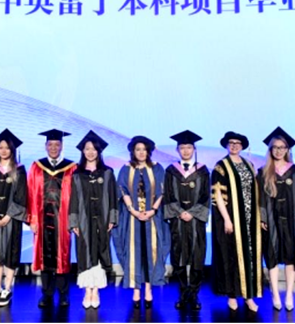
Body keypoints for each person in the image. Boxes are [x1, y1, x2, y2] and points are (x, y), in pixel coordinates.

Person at [258, 127, 295, 312]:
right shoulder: (263, 172)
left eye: (282, 147)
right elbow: (260, 198)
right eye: (275, 147)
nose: (278, 150)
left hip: (291, 221)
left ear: (288, 149)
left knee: (291, 258)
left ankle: (289, 294)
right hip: (271, 220)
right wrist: (262, 218)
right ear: (270, 150)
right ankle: (275, 293)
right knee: (271, 257)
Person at [114, 136, 170, 309]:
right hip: (132, 217)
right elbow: (123, 190)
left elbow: (162, 192)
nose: (141, 152)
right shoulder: (126, 169)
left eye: (144, 149)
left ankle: (148, 289)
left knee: (150, 252)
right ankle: (136, 289)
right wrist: (133, 210)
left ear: (148, 151)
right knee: (134, 253)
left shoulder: (157, 168)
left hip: (153, 217)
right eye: (138, 149)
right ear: (133, 151)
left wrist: (153, 210)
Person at [211, 131, 262, 313]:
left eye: (237, 143)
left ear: (242, 146)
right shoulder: (221, 166)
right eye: (231, 143)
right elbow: (217, 194)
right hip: (232, 218)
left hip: (250, 219)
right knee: (231, 256)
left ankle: (249, 296)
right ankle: (232, 296)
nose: (234, 146)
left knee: (250, 257)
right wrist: (227, 219)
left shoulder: (249, 165)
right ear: (226, 145)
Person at [26, 129, 77, 308]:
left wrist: (73, 220)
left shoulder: (71, 167)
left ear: (62, 146)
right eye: (50, 144)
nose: (54, 148)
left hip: (63, 219)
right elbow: (30, 193)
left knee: (63, 256)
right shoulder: (36, 166)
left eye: (57, 145)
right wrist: (32, 219)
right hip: (41, 219)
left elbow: (76, 196)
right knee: (44, 256)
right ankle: (47, 294)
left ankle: (63, 294)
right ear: (45, 146)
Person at [69, 130, 118, 309]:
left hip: (103, 219)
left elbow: (113, 197)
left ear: (99, 151)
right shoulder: (77, 174)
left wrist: (112, 218)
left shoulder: (107, 172)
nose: (90, 152)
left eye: (94, 149)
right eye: (87, 149)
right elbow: (74, 199)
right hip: (83, 219)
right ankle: (87, 291)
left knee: (100, 251)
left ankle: (95, 290)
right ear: (83, 151)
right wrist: (74, 222)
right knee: (84, 252)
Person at [163, 130, 211, 311]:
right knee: (179, 257)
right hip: (178, 220)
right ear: (177, 150)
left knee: (197, 257)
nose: (185, 150)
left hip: (196, 221)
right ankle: (183, 294)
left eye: (189, 147)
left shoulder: (203, 171)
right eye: (182, 147)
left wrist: (192, 212)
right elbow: (168, 195)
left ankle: (194, 294)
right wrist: (179, 212)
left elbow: (206, 196)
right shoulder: (171, 171)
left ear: (194, 149)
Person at [0, 129, 27, 308]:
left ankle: (7, 288)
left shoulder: (19, 170)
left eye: (7, 148)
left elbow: (22, 196)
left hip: (12, 219)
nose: (3, 151)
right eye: (0, 147)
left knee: (11, 251)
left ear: (12, 150)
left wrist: (9, 215)